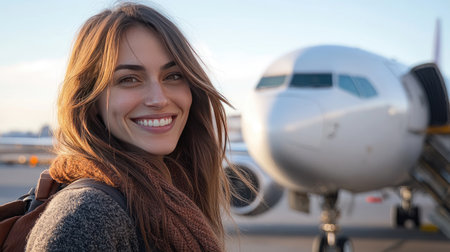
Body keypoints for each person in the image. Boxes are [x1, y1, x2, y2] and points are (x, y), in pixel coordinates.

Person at [26, 2, 238, 251]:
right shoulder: (88, 216)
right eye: (129, 79)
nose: (158, 99)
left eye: (173, 76)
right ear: (90, 99)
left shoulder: (174, 196)